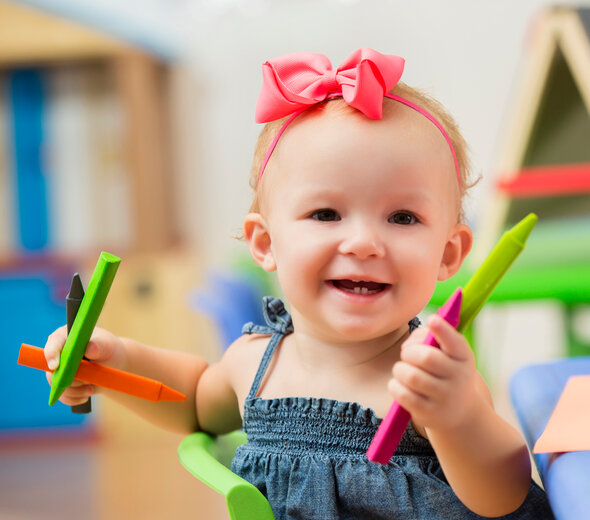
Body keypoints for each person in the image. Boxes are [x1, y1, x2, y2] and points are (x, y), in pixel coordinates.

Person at [45, 49, 553, 519]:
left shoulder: (429, 374)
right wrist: (116, 363)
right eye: (326, 213)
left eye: (402, 217)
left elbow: (502, 494)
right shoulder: (253, 361)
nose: (363, 243)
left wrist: (458, 415)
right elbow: (196, 401)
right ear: (265, 244)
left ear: (448, 254)